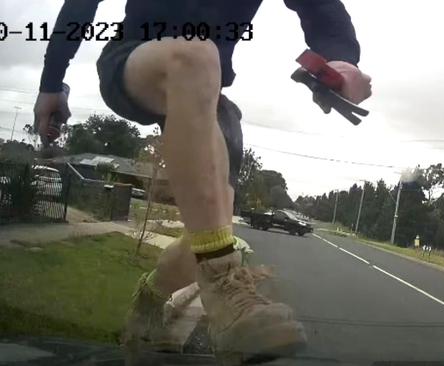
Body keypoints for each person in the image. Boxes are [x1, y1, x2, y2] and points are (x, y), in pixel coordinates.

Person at [33, 0, 372, 364]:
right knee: (195, 55)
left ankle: (148, 301)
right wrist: (51, 82)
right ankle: (225, 293)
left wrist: (341, 60)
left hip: (206, 95)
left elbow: (319, 7)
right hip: (135, 58)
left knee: (216, 232)